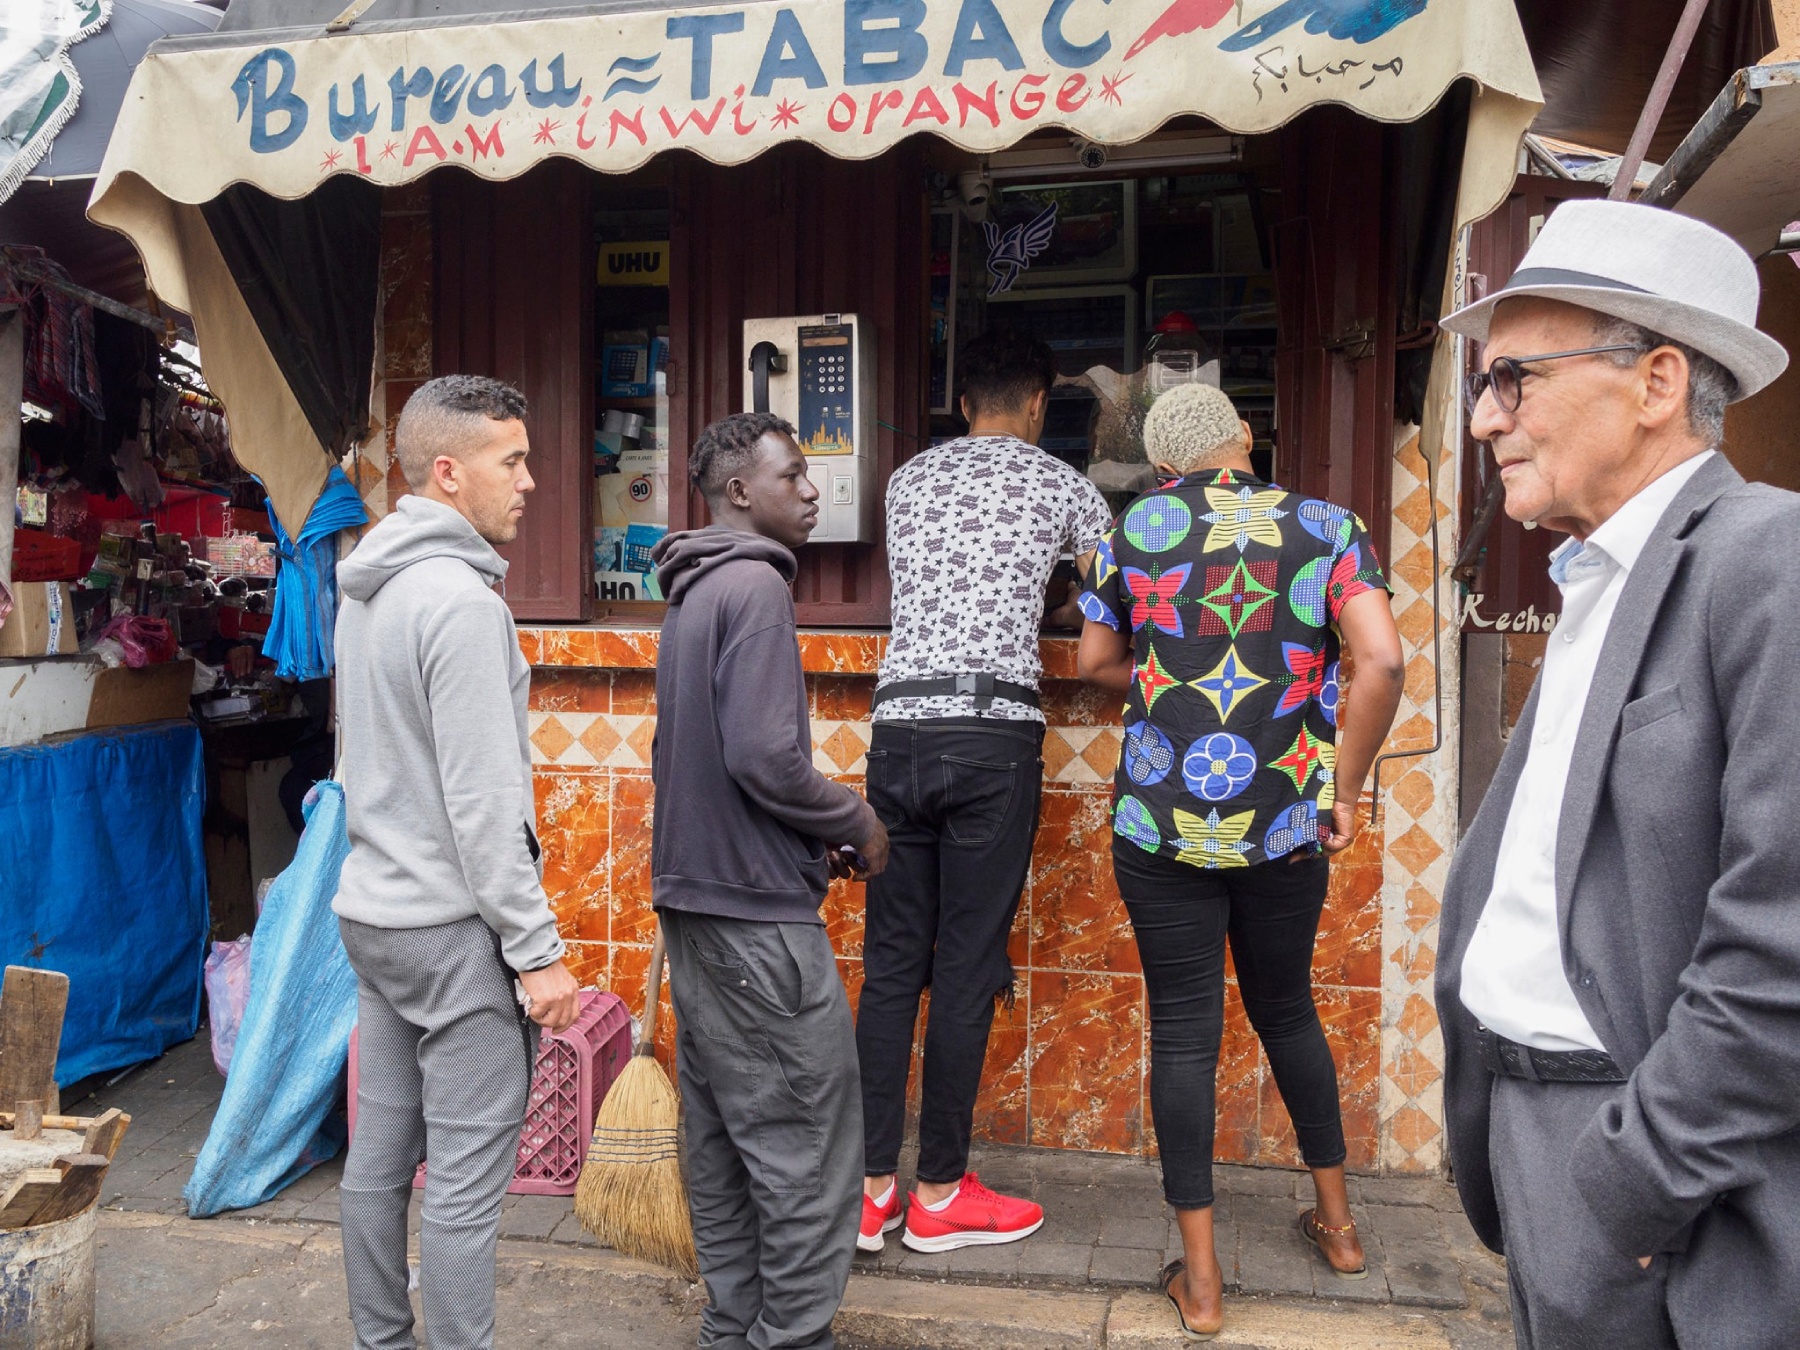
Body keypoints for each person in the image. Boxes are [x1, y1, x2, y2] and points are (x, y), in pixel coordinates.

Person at [1435, 200, 1798, 1350]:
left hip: (1654, 1171)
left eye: (1516, 379)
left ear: (1654, 384)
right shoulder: (1598, 577)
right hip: (1540, 1144)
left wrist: (1634, 1183)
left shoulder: (1765, 561)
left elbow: (1779, 937)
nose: (1488, 418)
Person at [1076, 381, 1404, 1340]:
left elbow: (1096, 663)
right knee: (1288, 1007)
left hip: (1162, 823)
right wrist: (1341, 789)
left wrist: (1158, 675)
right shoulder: (1329, 525)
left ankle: (1205, 1284)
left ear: (1166, 468)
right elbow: (1379, 661)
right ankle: (1341, 1231)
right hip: (1283, 822)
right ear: (1246, 439)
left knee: (1185, 1032)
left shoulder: (1134, 530)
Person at [331, 374, 581, 1350]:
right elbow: (485, 807)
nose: (529, 481)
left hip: (376, 920)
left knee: (378, 1163)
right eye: (511, 461)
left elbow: (359, 760)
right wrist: (537, 950)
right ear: (448, 471)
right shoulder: (463, 607)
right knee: (466, 1193)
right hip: (448, 934)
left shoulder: (369, 584)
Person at [856, 329, 1113, 1255]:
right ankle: (939, 1194)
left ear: (964, 407)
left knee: (892, 964)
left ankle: (869, 1191)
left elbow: (941, 582)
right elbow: (1109, 605)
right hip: (992, 733)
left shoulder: (909, 481)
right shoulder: (1064, 486)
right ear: (1040, 407)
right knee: (966, 964)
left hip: (898, 730)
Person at [650, 411, 891, 1350]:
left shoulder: (692, 593)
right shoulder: (751, 587)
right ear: (739, 492)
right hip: (755, 926)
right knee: (805, 1148)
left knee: (723, 1142)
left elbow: (688, 757)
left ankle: (732, 1329)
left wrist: (797, 841)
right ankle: (788, 1338)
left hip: (702, 908)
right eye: (792, 474)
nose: (811, 489)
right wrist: (855, 822)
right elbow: (763, 757)